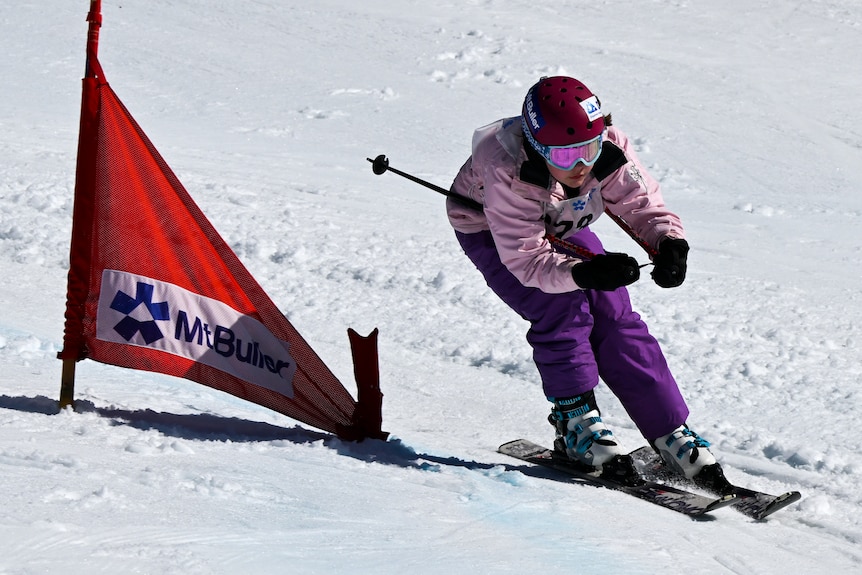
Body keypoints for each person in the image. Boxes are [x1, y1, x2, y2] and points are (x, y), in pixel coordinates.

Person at [446, 75, 716, 480]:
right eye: (566, 155)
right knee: (560, 308)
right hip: (494, 233)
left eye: (588, 149)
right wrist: (585, 273)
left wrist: (668, 242)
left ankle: (669, 433)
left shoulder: (606, 148)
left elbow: (639, 201)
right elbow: (528, 260)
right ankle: (576, 426)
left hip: (561, 223)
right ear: (537, 147)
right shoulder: (507, 169)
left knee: (615, 311)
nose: (581, 165)